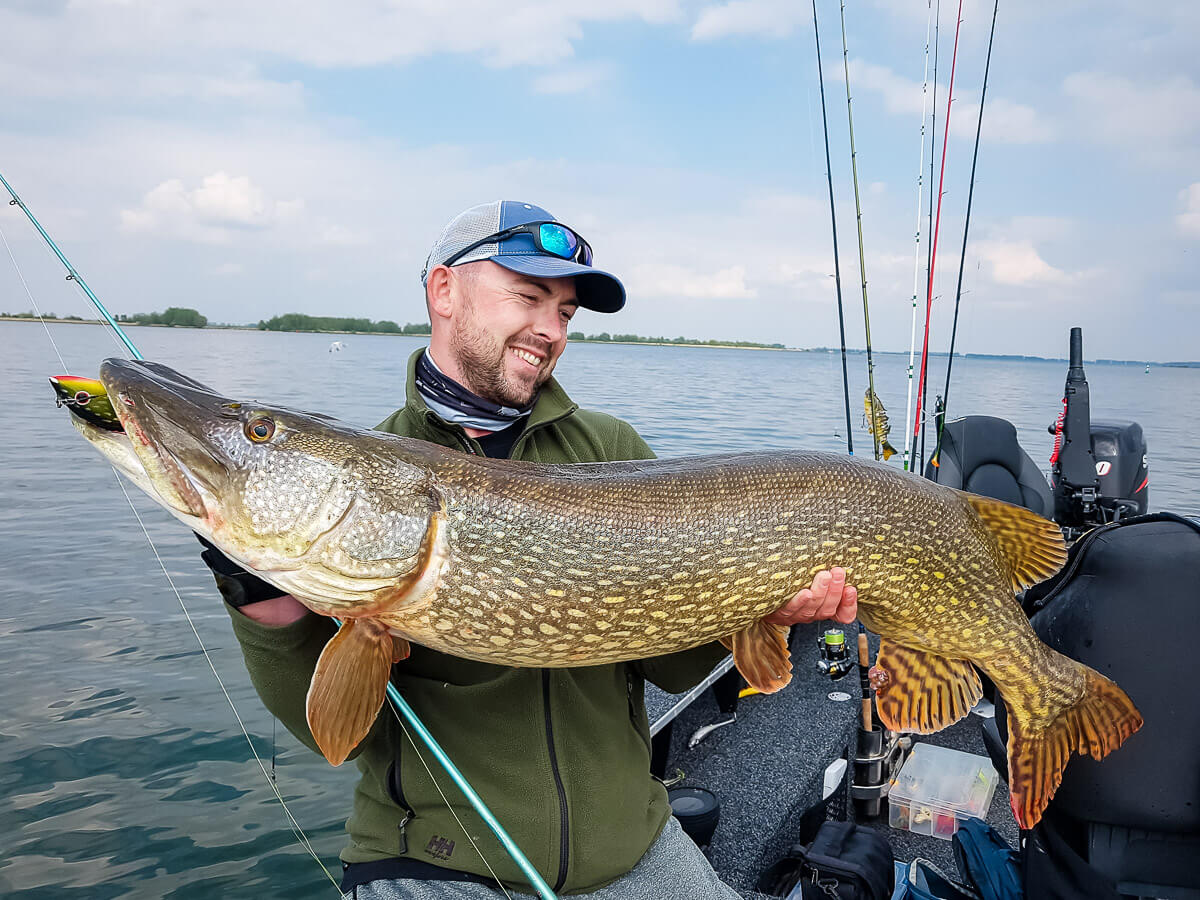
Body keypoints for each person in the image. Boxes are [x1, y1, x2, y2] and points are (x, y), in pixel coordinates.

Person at [200, 201, 858, 899]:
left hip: (632, 849)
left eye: (566, 313)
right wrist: (259, 600)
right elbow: (343, 737)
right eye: (529, 297)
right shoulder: (370, 472)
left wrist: (765, 610)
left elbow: (672, 664)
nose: (549, 330)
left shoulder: (611, 453)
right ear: (444, 291)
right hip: (440, 865)